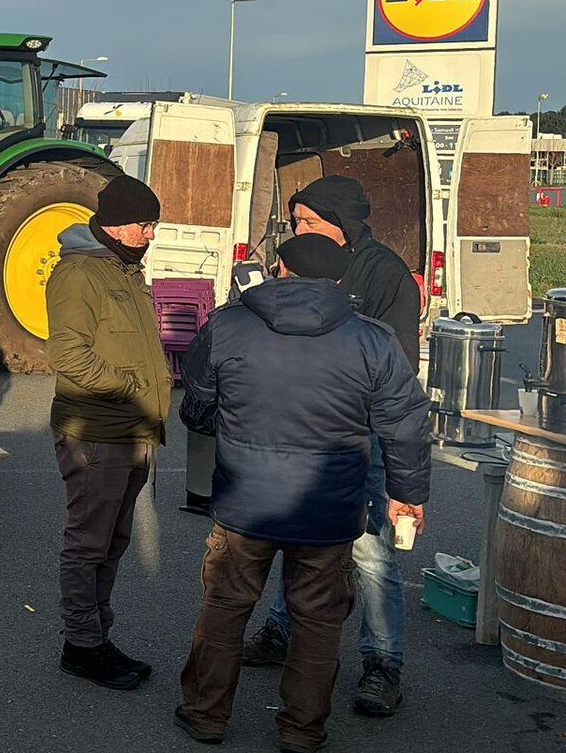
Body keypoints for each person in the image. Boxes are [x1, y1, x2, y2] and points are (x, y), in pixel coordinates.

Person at [175, 234, 431, 752]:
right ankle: (302, 729)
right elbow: (404, 425)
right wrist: (406, 494)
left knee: (225, 607)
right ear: (339, 279)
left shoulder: (227, 325)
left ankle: (205, 714)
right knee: (318, 621)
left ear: (280, 267)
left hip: (245, 501)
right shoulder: (372, 339)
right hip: (329, 507)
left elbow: (197, 408)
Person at [241, 175, 421, 716]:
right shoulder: (294, 262)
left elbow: (397, 373)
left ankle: (383, 663)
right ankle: (280, 631)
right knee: (298, 538)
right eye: (295, 222)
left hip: (359, 437)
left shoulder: (386, 275)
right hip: (301, 431)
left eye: (308, 223)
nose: (297, 232)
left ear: (342, 225)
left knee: (369, 553)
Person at [44, 174, 174, 690]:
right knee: (88, 543)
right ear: (118, 225)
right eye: (146, 225)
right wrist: (129, 386)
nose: (151, 235)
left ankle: (97, 636)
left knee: (113, 540)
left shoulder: (123, 270)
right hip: (98, 430)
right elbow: (68, 354)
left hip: (133, 429)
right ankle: (82, 645)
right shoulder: (81, 275)